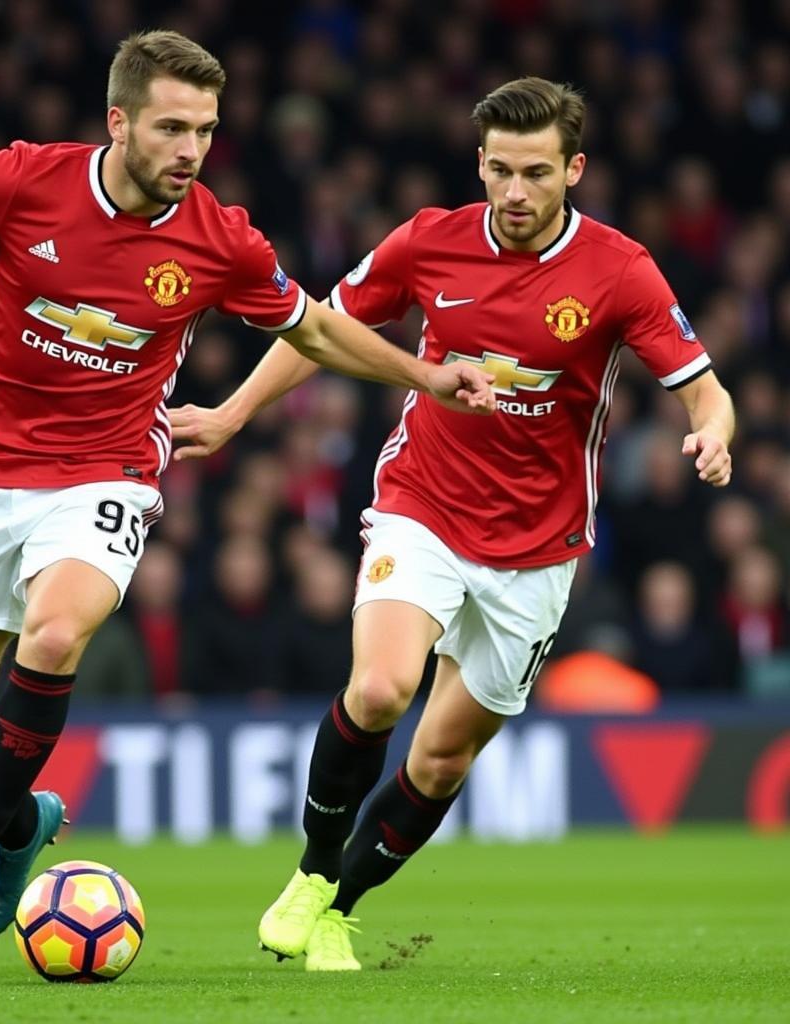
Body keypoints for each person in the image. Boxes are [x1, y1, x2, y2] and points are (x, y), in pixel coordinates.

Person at [0, 30, 495, 971]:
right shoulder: (25, 181)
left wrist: (424, 376)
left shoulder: (219, 237)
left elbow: (316, 328)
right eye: (171, 127)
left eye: (205, 130)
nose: (191, 149)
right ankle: (18, 818)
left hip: (105, 472)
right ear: (119, 122)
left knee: (57, 633)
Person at [169, 76, 735, 971]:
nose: (515, 193)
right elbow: (317, 326)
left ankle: (336, 907)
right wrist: (234, 414)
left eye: (537, 173)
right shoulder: (429, 240)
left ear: (574, 170)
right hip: (422, 506)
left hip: (540, 550)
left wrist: (712, 434)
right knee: (382, 689)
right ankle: (314, 874)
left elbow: (706, 390)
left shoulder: (620, 270)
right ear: (479, 162)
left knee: (437, 763)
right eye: (500, 170)